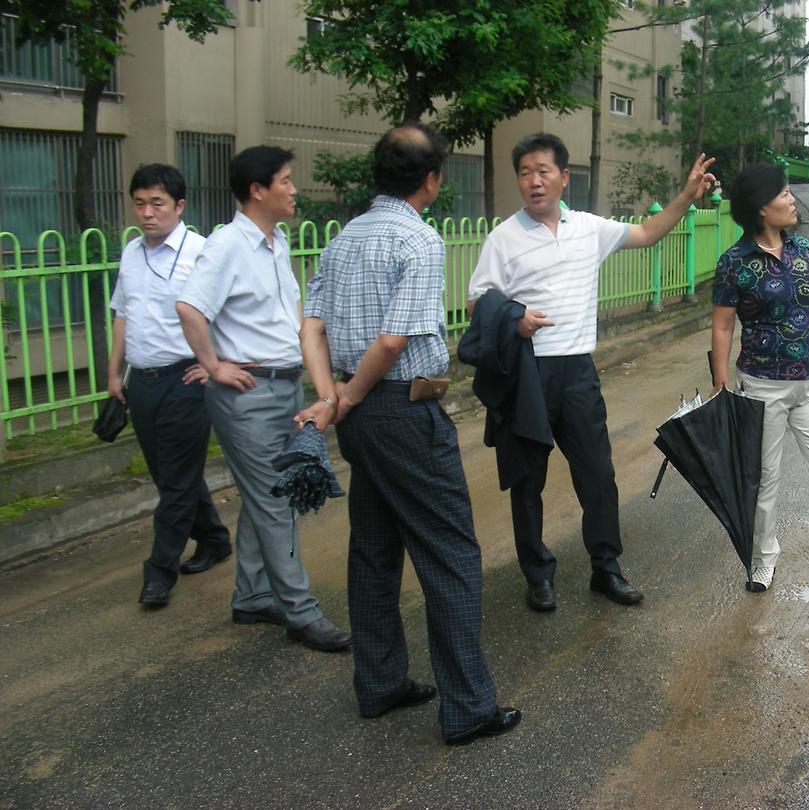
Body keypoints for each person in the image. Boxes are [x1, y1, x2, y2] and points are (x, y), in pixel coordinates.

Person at [298, 124, 520, 744]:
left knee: (373, 549)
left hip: (359, 414)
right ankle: (469, 708)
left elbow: (310, 326)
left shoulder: (342, 241)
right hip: (398, 409)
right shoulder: (419, 241)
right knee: (451, 554)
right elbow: (395, 339)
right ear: (432, 179)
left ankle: (381, 684)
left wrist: (332, 397)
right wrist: (355, 393)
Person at [467, 132, 716, 612]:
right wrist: (513, 316)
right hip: (527, 376)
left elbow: (647, 234)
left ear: (564, 177)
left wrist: (686, 195)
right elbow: (477, 301)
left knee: (598, 475)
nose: (534, 181)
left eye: (543, 171)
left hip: (577, 371)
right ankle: (537, 574)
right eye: (525, 172)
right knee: (528, 482)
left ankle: (606, 568)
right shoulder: (503, 237)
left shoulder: (588, 228)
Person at [176, 146, 352, 650]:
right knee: (277, 499)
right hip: (247, 394)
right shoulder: (227, 244)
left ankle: (253, 596)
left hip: (284, 387)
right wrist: (212, 365)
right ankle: (301, 612)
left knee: (265, 497)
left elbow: (293, 320)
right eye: (286, 180)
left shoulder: (274, 243)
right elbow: (190, 308)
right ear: (258, 189)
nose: (294, 190)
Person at [710, 162, 809, 605]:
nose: (792, 200)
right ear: (763, 208)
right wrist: (722, 385)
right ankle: (763, 558)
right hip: (761, 387)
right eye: (784, 194)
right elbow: (723, 326)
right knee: (765, 479)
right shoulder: (734, 264)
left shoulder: (803, 248)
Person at [107, 164, 232, 608]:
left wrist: (213, 365)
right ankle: (215, 539)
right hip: (143, 381)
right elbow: (123, 313)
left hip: (186, 379)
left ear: (179, 206)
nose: (146, 213)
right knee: (169, 475)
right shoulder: (131, 253)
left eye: (157, 203)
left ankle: (159, 572)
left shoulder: (202, 253)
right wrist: (114, 373)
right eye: (139, 203)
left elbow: (226, 314)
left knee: (176, 481)